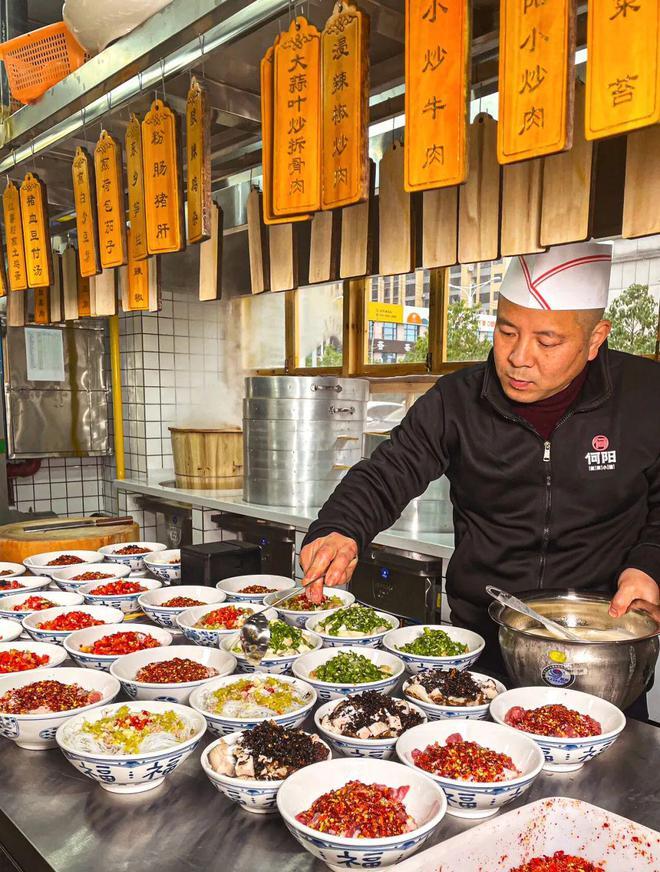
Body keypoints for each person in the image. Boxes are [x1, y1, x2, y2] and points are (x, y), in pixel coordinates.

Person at [299, 241, 660, 711]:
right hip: (482, 648)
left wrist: (649, 565)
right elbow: (390, 470)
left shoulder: (646, 395)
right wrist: (340, 528)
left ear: (595, 339)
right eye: (506, 331)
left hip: (602, 647)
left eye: (547, 342)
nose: (519, 357)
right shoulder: (457, 400)